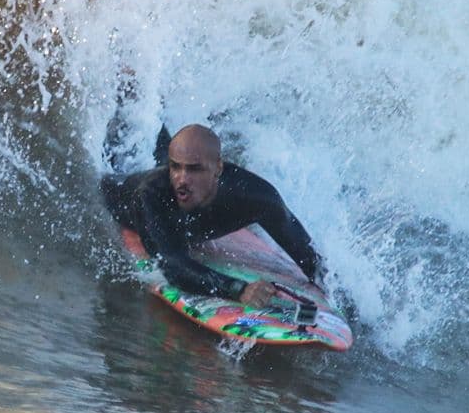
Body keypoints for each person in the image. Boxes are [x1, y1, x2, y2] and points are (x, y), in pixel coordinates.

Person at [100, 123, 326, 308]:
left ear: (218, 168)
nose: (182, 179)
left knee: (162, 152)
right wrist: (240, 290)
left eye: (195, 169)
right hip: (117, 189)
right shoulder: (151, 195)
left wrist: (333, 289)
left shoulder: (257, 196)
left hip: (171, 183)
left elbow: (309, 258)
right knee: (121, 156)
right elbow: (173, 266)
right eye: (175, 168)